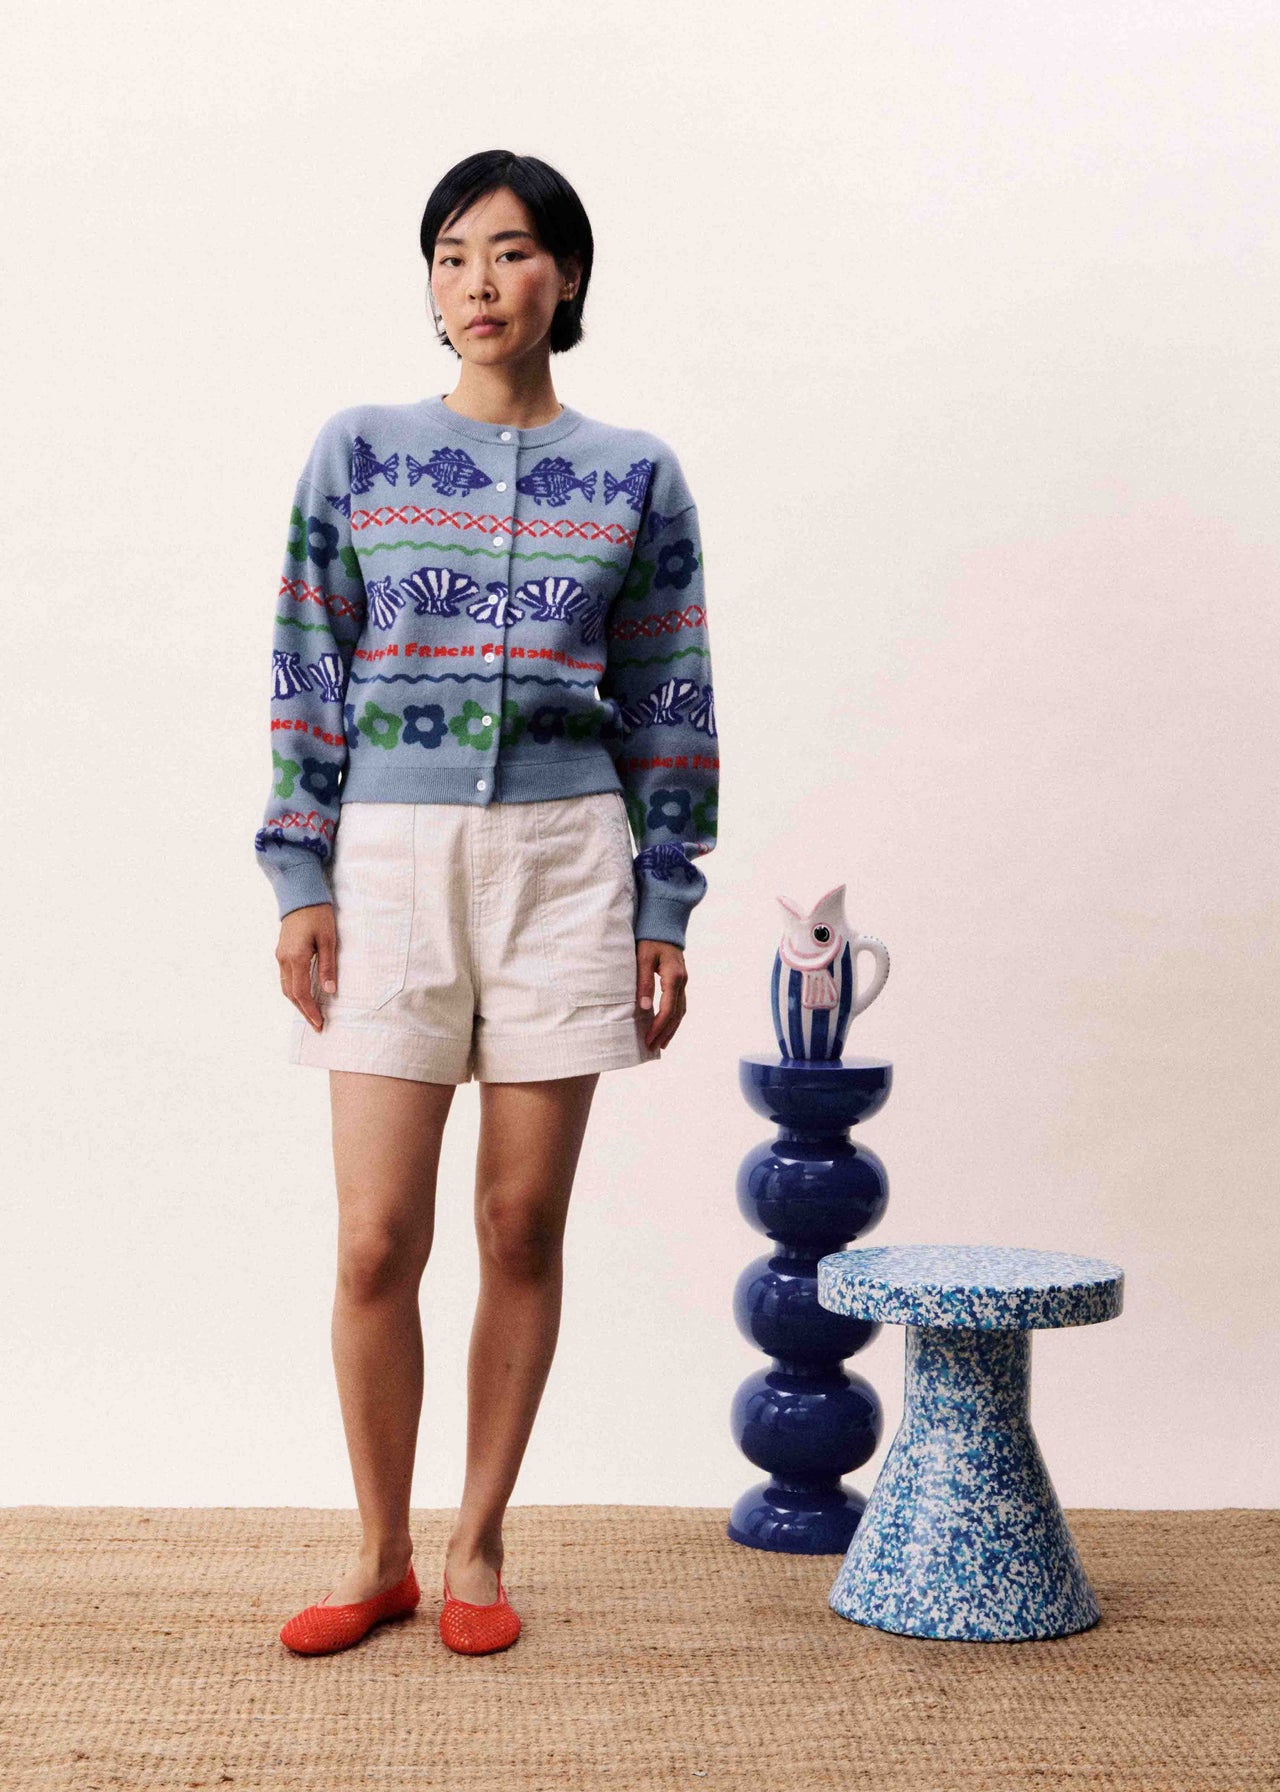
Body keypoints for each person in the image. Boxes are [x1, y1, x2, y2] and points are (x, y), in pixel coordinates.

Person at [256, 150, 719, 1656]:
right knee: (374, 1239)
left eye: (511, 253)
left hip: (567, 867)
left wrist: (666, 903)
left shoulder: (635, 473)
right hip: (388, 864)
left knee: (521, 1225)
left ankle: (476, 1543)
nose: (478, 282)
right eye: (451, 255)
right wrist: (299, 872)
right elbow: (309, 662)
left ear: (564, 277)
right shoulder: (361, 452)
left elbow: (670, 694)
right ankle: (378, 1549)